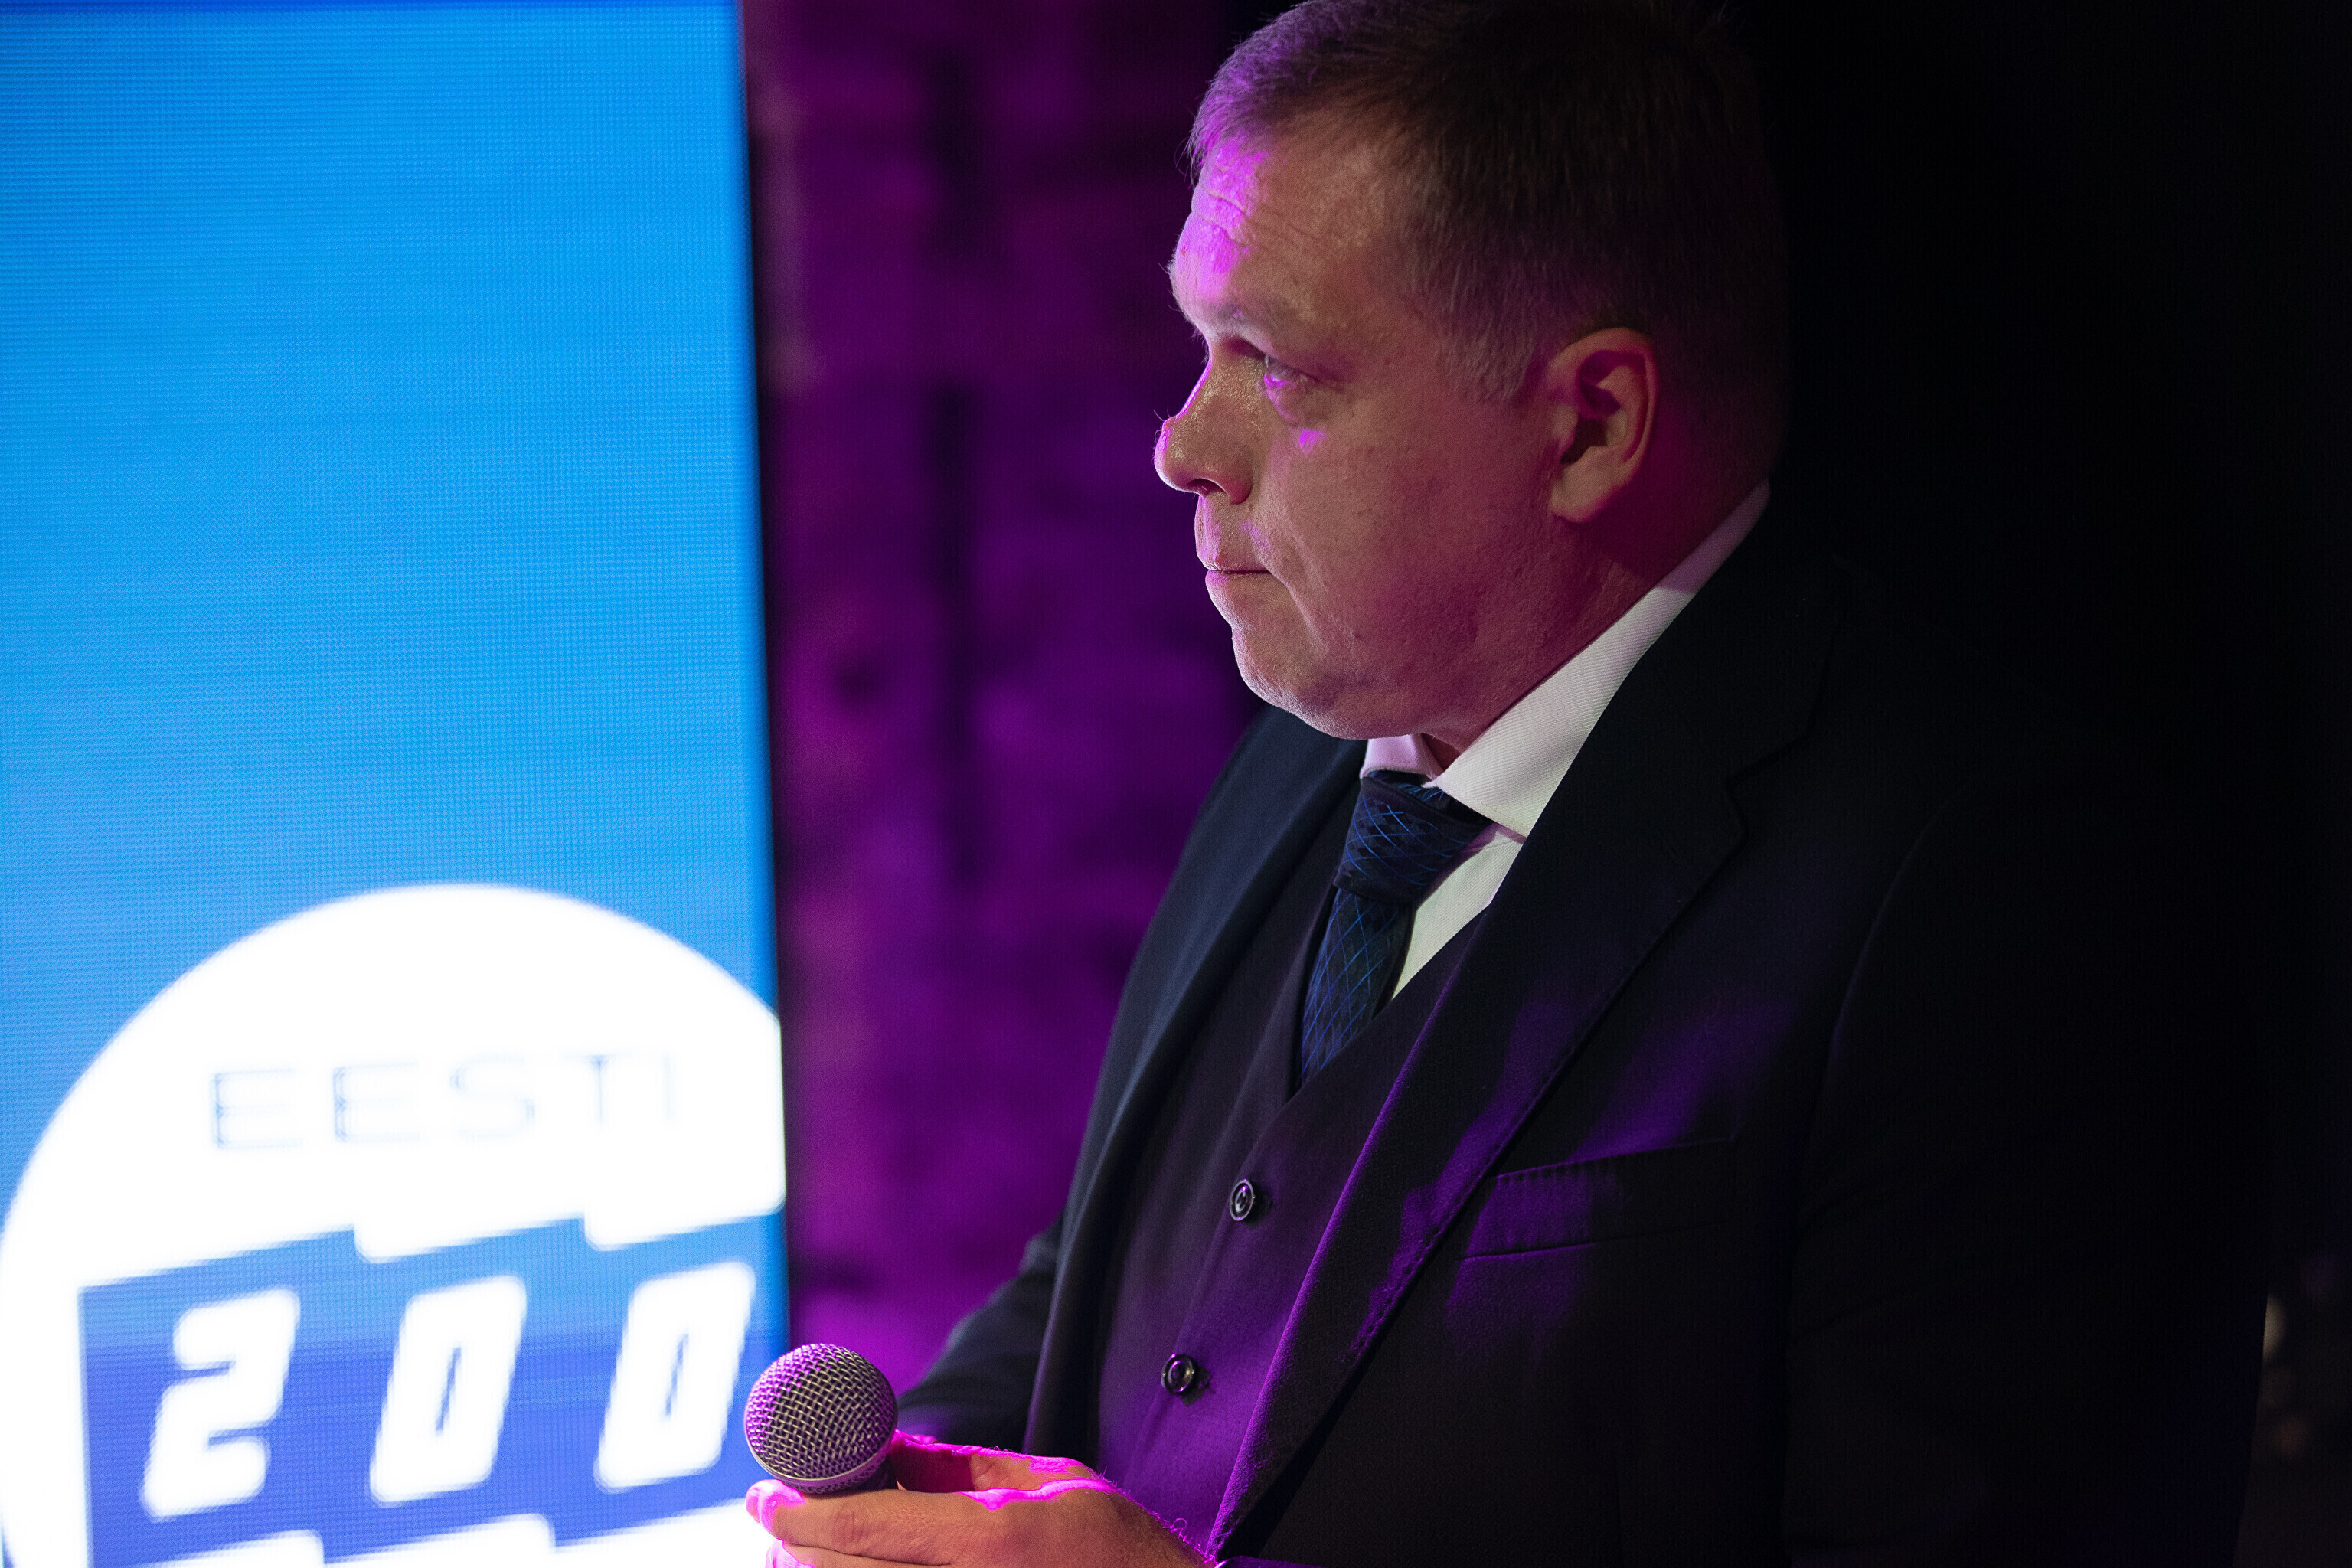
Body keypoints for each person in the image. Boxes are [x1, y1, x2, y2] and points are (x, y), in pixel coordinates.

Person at [750, 0, 2264, 1563]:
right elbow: (1116, 1285)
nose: (1182, 445)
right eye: (1201, 344)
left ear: (1592, 424)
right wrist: (910, 1509)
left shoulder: (2001, 897)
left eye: (1273, 362)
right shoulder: (1302, 750)